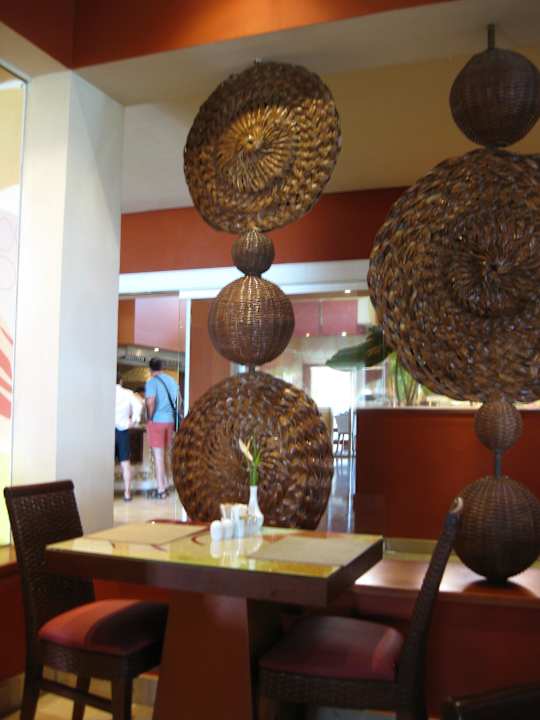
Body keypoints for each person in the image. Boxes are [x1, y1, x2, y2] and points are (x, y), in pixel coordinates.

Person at [145, 357, 180, 498]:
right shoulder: (171, 380)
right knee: (166, 454)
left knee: (158, 456)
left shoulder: (152, 382)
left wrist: (150, 418)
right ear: (162, 367)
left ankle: (161, 490)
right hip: (170, 421)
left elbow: (151, 402)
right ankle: (166, 483)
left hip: (157, 421)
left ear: (150, 369)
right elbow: (179, 401)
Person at [115, 372, 142, 501]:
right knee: (125, 463)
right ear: (121, 381)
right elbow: (139, 404)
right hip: (123, 430)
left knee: (104, 463)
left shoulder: (105, 391)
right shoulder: (128, 393)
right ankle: (127, 493)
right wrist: (135, 420)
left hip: (107, 432)